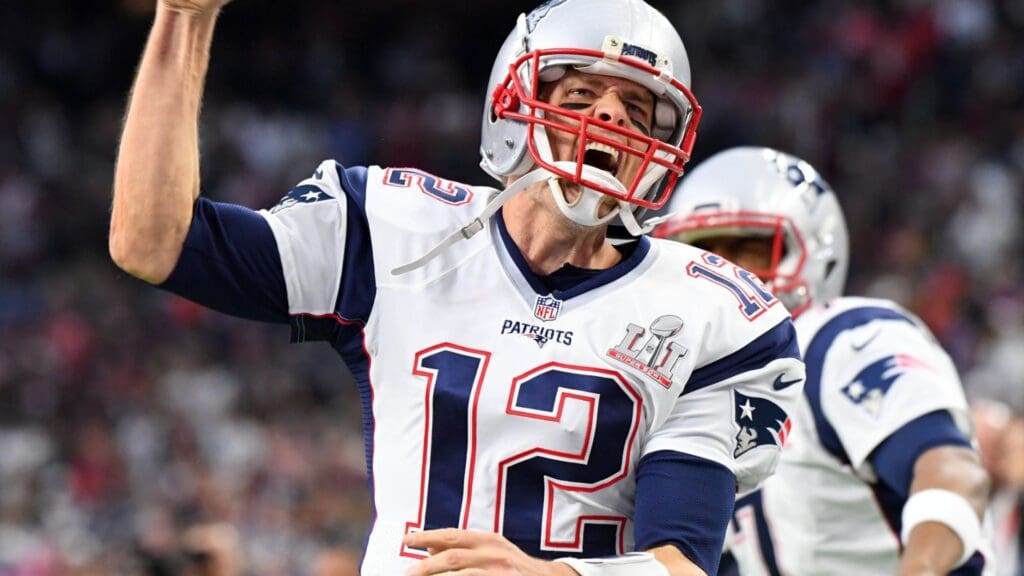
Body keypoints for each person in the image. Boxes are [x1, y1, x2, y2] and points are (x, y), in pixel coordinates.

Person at [110, 1, 805, 574]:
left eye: (636, 107)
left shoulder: (716, 314)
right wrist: (184, 16)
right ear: (515, 107)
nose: (612, 120)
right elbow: (152, 241)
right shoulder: (392, 226)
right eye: (582, 95)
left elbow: (682, 562)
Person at [655, 146, 993, 575]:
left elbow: (953, 475)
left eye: (748, 251)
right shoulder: (685, 391)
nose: (726, 276)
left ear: (813, 252)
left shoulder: (842, 340)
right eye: (704, 257)